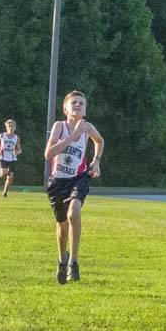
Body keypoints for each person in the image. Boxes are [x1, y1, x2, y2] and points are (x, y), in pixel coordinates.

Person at [44, 90, 104, 284]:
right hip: (57, 182)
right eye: (74, 102)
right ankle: (62, 259)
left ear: (85, 110)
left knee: (73, 212)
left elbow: (99, 141)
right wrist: (73, 137)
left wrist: (96, 161)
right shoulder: (59, 127)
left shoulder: (87, 127)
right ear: (65, 108)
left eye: (81, 103)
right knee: (61, 225)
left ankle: (74, 262)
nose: (77, 105)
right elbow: (49, 153)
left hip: (78, 178)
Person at [0, 119, 22, 198]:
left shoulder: (16, 138)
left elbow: (19, 149)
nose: (10, 128)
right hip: (3, 157)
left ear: (15, 128)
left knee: (10, 178)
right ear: (6, 127)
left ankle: (5, 192)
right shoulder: (2, 135)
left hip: (12, 159)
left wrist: (16, 152)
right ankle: (0, 175)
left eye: (12, 126)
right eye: (9, 126)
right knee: (4, 172)